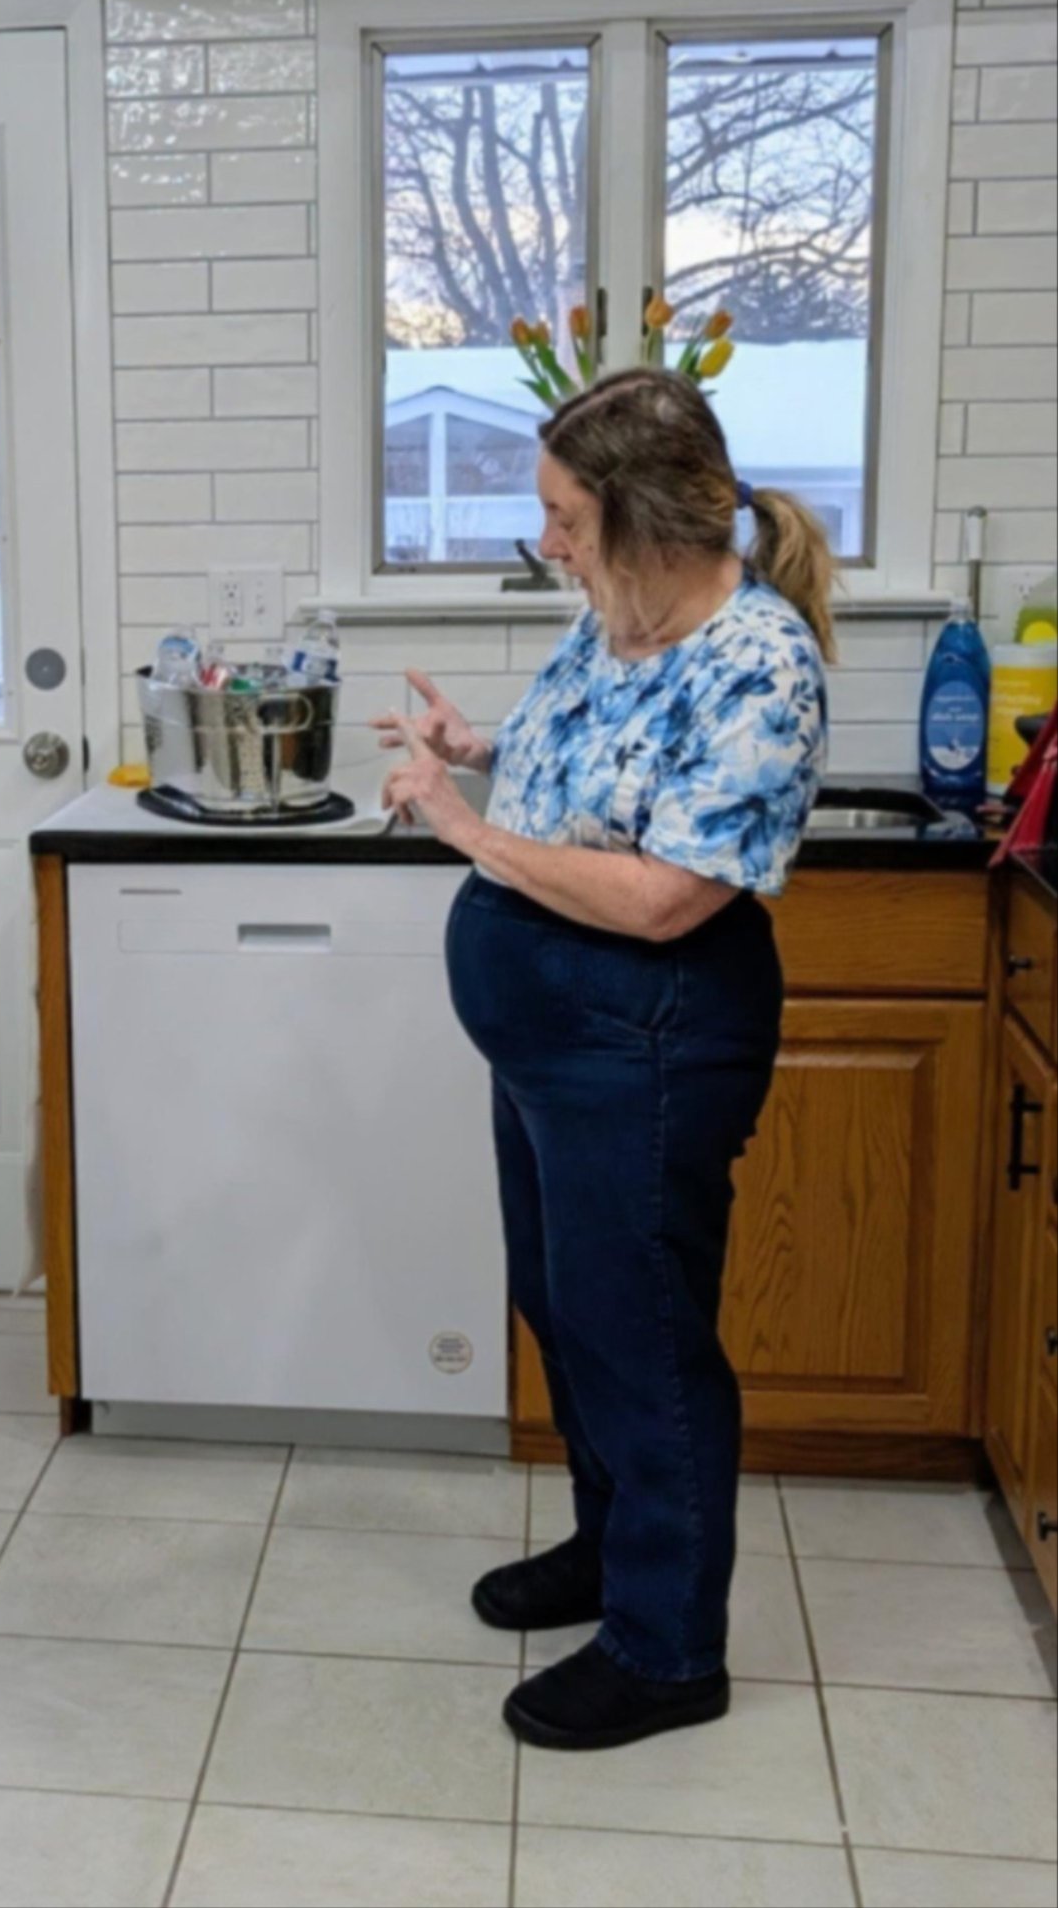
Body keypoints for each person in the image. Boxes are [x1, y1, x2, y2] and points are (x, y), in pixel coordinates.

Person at [376, 367, 830, 1752]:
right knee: (565, 1309)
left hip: (649, 1037)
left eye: (564, 519)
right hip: (552, 1040)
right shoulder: (614, 623)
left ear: (637, 519)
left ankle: (666, 1645)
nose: (550, 545)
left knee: (640, 1341)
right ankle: (606, 1547)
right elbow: (595, 771)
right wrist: (487, 747)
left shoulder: (759, 663)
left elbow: (661, 895)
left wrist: (461, 826)